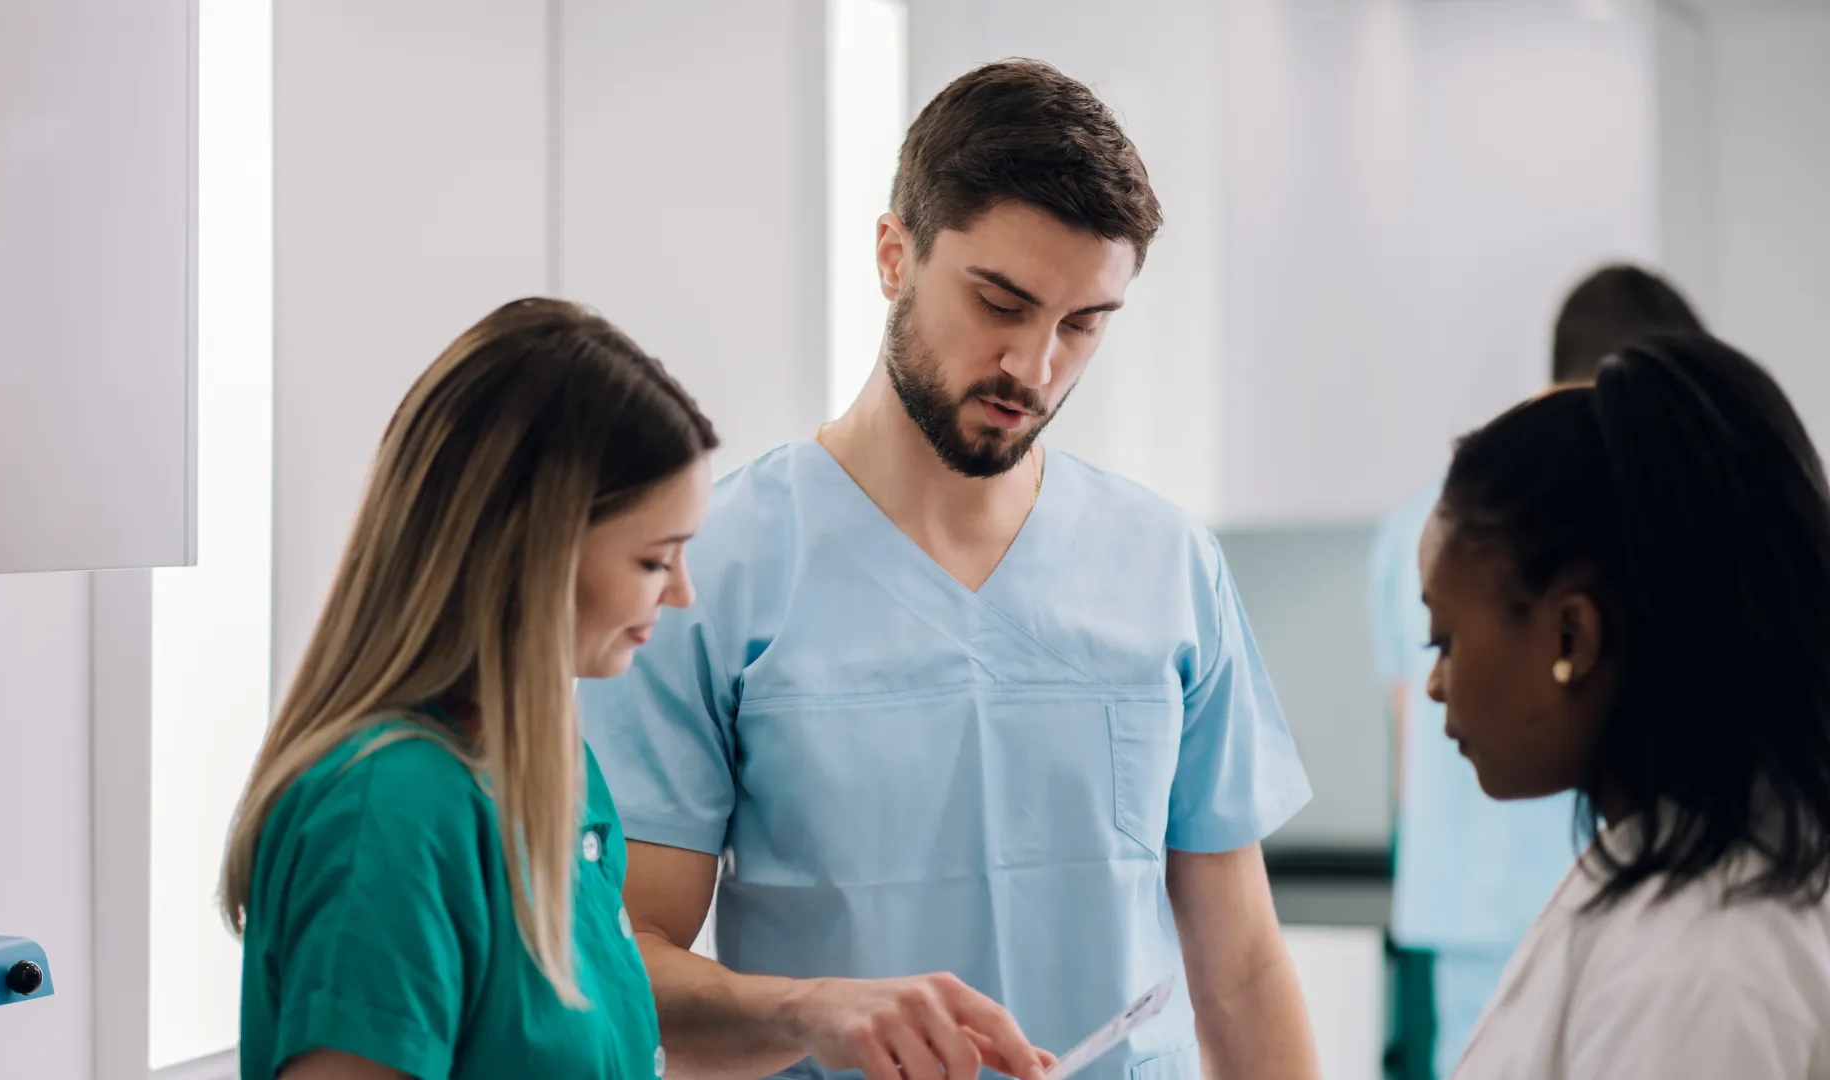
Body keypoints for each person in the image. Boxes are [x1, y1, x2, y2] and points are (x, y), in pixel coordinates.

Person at [579, 59, 1320, 1080]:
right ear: (895, 254)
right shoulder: (714, 569)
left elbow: (1237, 967)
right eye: (1001, 302)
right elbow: (625, 962)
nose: (1036, 367)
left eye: (1083, 324)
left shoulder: (1166, 565)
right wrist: (807, 1010)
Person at [220, 299, 720, 1080]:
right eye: (656, 560)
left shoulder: (553, 771)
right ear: (534, 551)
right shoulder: (390, 809)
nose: (683, 593)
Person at [1422, 333, 1830, 1077]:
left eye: (1445, 642)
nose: (1435, 684)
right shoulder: (1675, 880)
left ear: (1572, 636)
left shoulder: (1701, 963)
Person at [1366, 264, 1706, 1079]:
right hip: (1548, 889)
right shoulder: (1623, 521)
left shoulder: (1418, 521)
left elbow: (1406, 737)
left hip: (1466, 900)